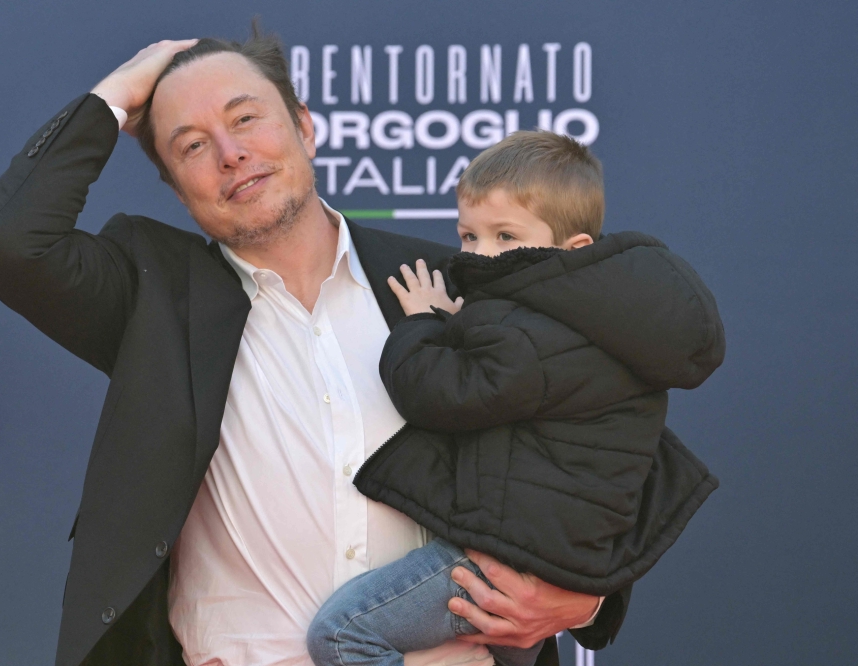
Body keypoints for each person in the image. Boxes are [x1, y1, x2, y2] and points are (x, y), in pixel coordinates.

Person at [0, 25, 647, 666]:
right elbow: (9, 244)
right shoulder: (150, 299)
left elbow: (597, 444)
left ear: (305, 126)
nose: (230, 153)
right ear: (177, 190)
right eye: (192, 146)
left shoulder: (448, 281)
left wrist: (581, 598)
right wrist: (119, 91)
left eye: (244, 118)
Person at [307, 131, 724, 666]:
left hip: (503, 560)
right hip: (549, 557)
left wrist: (420, 326)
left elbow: (438, 394)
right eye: (469, 237)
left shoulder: (532, 331)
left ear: (572, 249)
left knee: (341, 636)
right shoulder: (602, 324)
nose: (482, 255)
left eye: (506, 236)